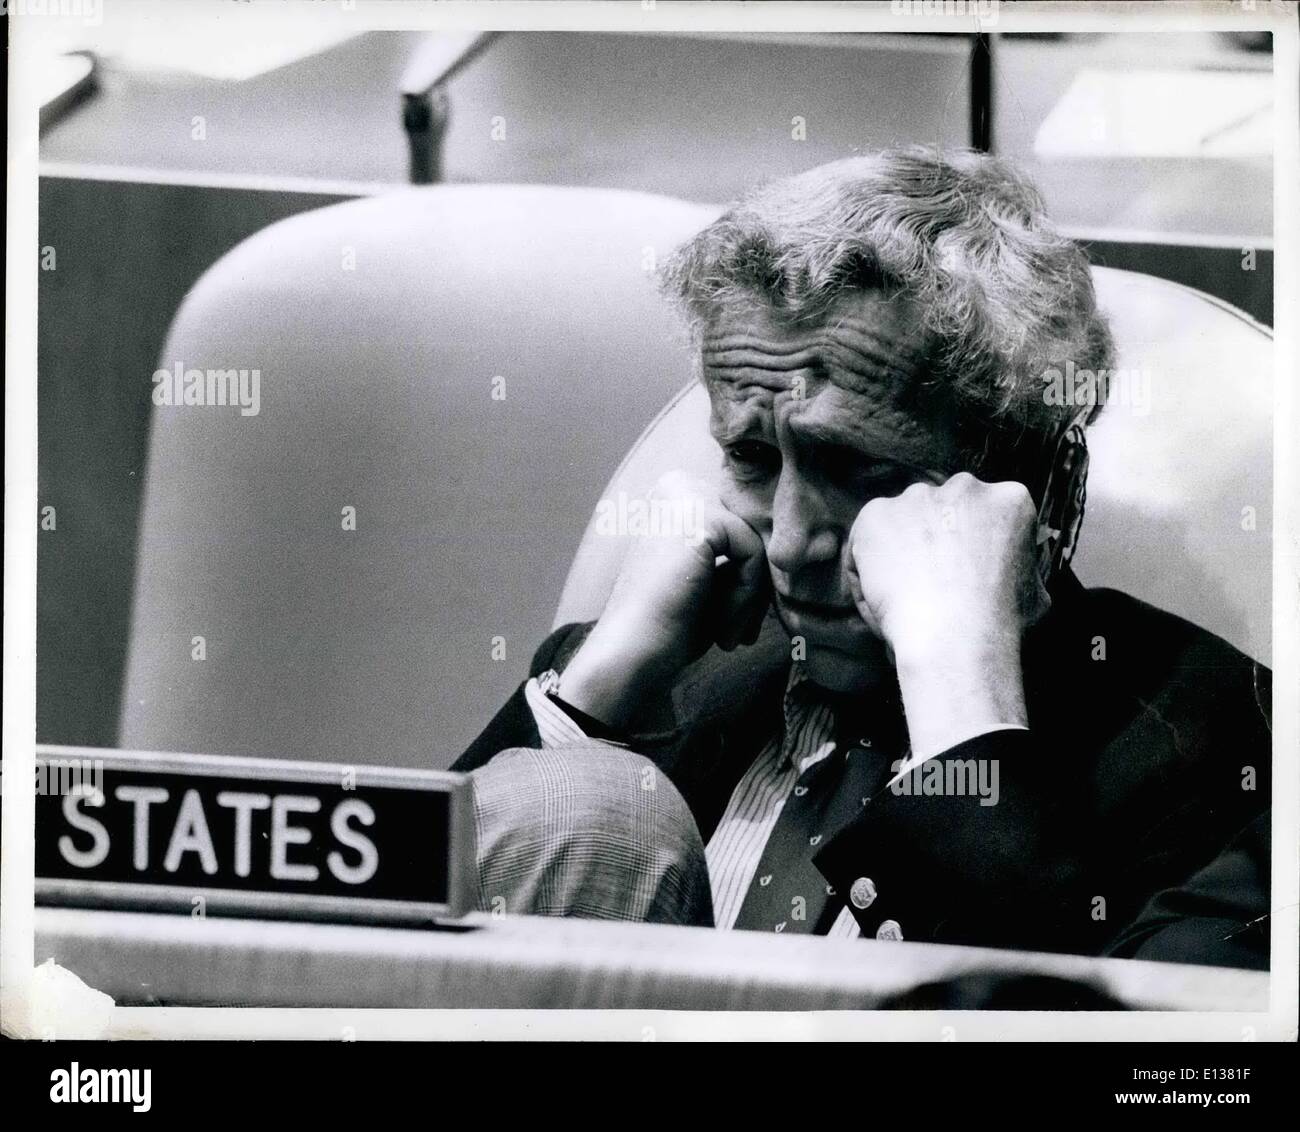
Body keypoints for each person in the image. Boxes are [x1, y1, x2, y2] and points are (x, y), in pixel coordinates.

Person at [454, 147, 1271, 969]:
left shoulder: (1229, 751)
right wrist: (596, 696)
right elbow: (367, 966)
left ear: (1045, 484)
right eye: (753, 461)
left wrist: (962, 707)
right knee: (582, 803)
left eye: (860, 472)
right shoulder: (646, 675)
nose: (789, 541)